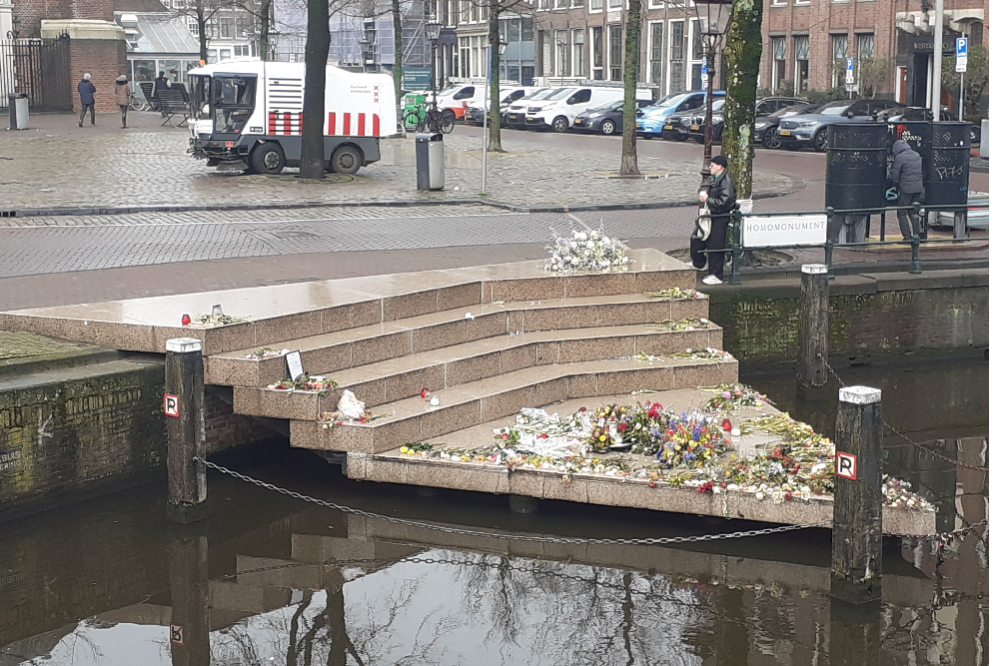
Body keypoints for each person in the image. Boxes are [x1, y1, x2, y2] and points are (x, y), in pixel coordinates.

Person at [689, 155, 737, 285]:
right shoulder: (715, 179)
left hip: (720, 217)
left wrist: (707, 200)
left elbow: (725, 201)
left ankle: (716, 275)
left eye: (712, 165)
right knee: (697, 238)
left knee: (716, 245)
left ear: (720, 166)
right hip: (711, 214)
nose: (710, 167)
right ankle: (700, 263)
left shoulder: (726, 182)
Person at [890, 140, 924, 240]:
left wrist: (896, 185)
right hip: (918, 188)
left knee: (901, 212)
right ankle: (918, 234)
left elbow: (894, 176)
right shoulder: (917, 155)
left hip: (906, 189)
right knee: (914, 211)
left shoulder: (900, 158)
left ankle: (907, 236)